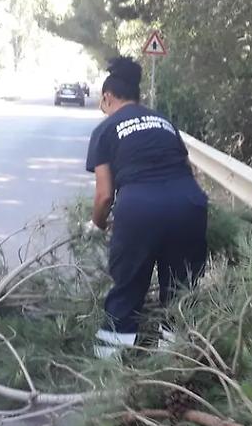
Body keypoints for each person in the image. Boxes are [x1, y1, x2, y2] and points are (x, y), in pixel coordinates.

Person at [85, 56, 208, 358]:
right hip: (190, 206)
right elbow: (186, 171)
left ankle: (109, 374)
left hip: (140, 211)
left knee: (127, 291)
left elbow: (104, 196)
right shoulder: (165, 123)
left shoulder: (105, 129)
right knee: (180, 292)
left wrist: (96, 225)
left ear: (107, 97)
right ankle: (173, 368)